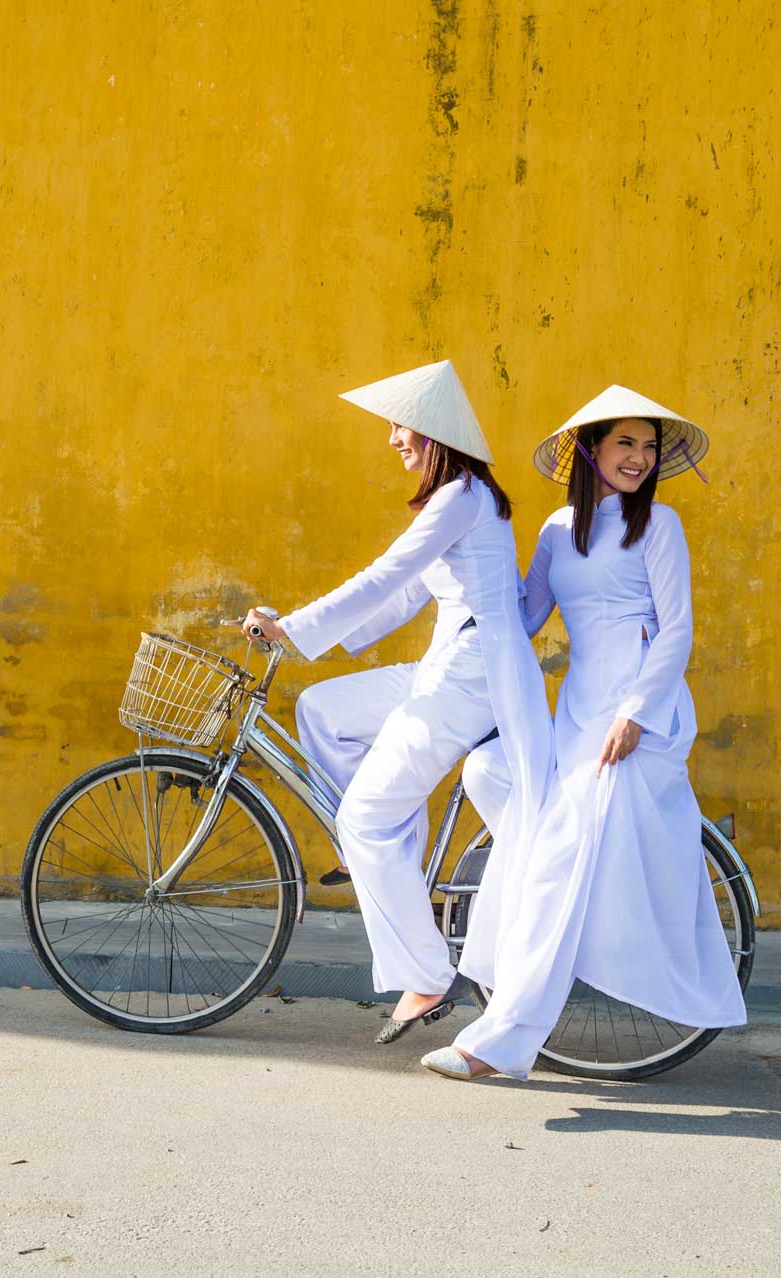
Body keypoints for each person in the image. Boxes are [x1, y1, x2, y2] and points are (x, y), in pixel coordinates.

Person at [425, 384, 748, 1080]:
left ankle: (505, 1038)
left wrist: (636, 712)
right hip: (576, 713)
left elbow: (678, 630)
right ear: (589, 449)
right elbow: (525, 614)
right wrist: (463, 575)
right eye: (625, 443)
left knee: (556, 852)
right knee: (491, 779)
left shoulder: (658, 525)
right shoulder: (553, 532)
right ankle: (563, 931)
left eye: (649, 445)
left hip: (636, 715)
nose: (640, 457)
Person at [242, 359, 553, 1045]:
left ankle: (426, 971)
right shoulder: (463, 498)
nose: (392, 439)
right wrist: (303, 635)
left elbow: (388, 573)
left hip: (470, 677)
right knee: (323, 710)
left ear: (434, 432)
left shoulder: (460, 496)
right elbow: (410, 592)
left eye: (400, 425)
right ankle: (388, 845)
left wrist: (292, 628)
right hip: (448, 665)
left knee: (365, 816)